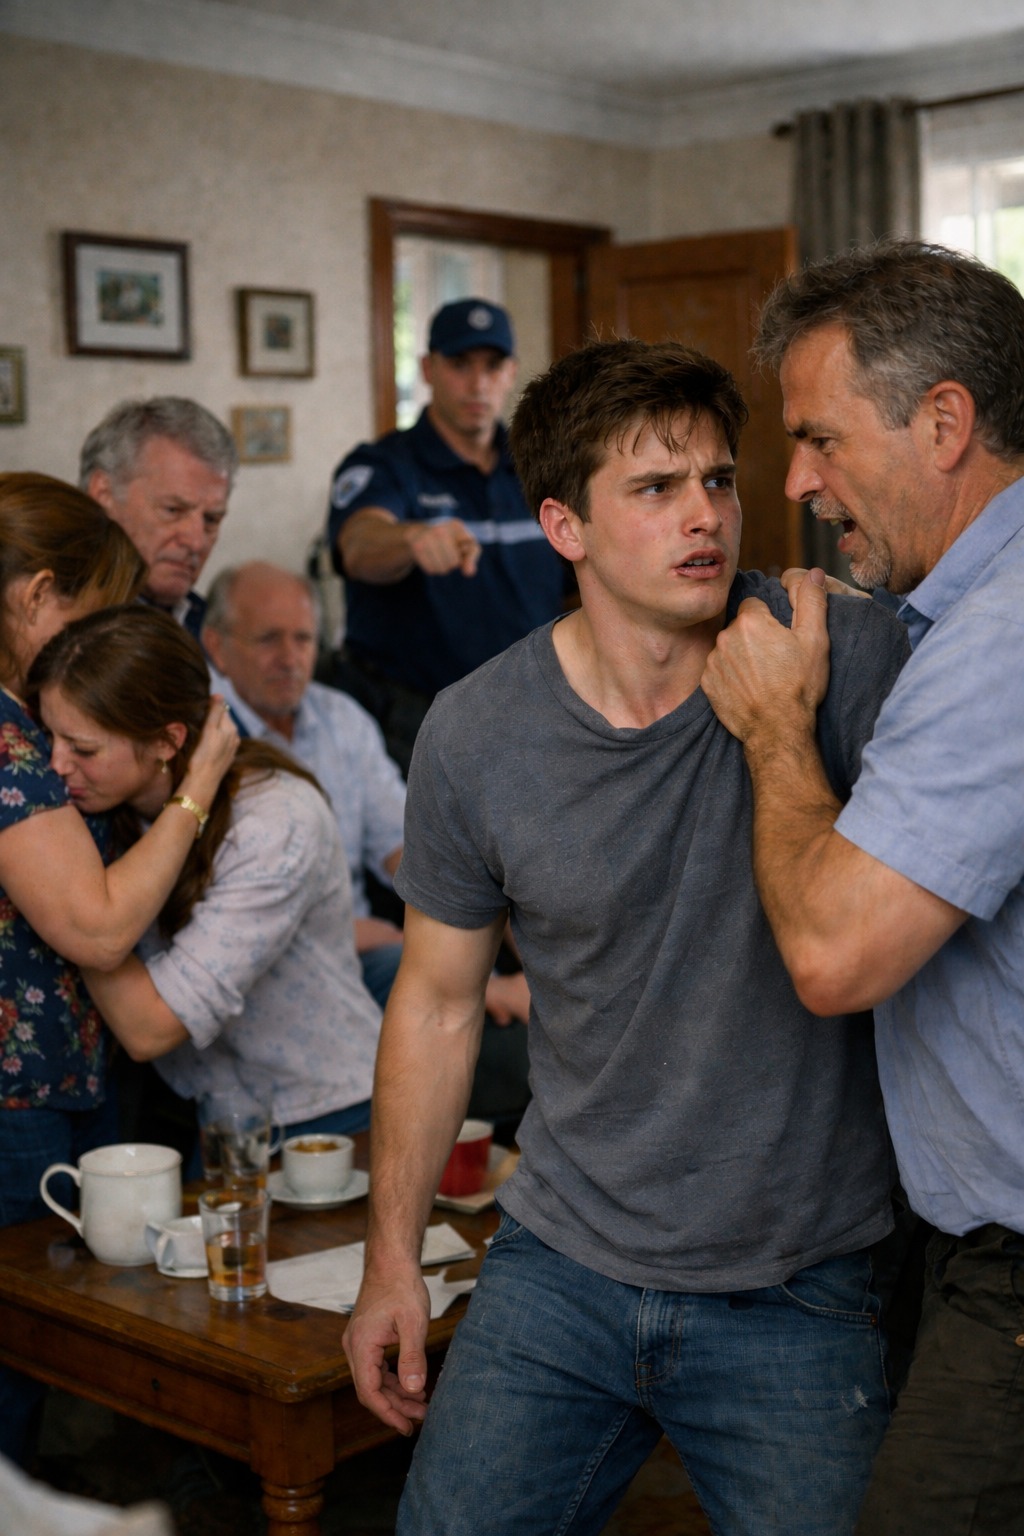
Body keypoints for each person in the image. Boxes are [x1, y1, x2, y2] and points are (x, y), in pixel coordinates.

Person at [342, 339, 912, 1535]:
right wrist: (390, 1259)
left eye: (717, 480)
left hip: (798, 1281)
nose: (704, 515)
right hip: (561, 1259)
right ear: (564, 526)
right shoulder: (475, 730)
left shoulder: (837, 653)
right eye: (655, 488)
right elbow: (437, 1003)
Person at [700, 239, 1024, 1536]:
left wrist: (775, 727)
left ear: (943, 423)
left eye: (820, 440)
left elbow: (833, 956)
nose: (795, 483)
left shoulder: (999, 642)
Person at [0, 474, 238, 1462]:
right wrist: (199, 784)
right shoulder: (6, 738)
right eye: (93, 614)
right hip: (16, 1091)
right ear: (37, 596)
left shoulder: (26, 719)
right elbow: (96, 930)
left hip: (58, 1070)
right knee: (15, 1352)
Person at [30, 605, 383, 1146]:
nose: (56, 765)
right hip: (214, 1116)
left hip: (325, 1117)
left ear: (167, 742)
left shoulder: (275, 821)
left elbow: (149, 1026)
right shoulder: (104, 806)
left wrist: (70, 903)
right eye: (48, 737)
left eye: (83, 748)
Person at [201, 560, 531, 1130]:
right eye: (268, 639)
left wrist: (535, 956)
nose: (290, 657)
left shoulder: (340, 719)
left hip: (362, 955)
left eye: (303, 639)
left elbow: (420, 852)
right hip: (271, 959)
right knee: (416, 964)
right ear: (217, 646)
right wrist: (485, 981)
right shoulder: (201, 737)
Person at [327, 298, 570, 772]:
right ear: (428, 369)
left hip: (530, 712)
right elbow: (357, 544)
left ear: (511, 372)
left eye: (492, 366)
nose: (477, 384)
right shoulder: (385, 465)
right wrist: (410, 540)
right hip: (413, 723)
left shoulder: (543, 468)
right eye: (460, 364)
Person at [79, 397, 238, 639]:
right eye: (173, 510)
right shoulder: (52, 626)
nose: (196, 542)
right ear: (103, 495)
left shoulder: (217, 635)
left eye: (211, 520)